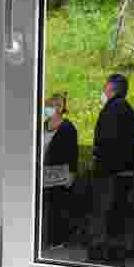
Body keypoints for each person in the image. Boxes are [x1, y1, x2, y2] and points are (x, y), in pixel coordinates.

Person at [89, 73, 134, 263]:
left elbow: (107, 143)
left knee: (103, 213)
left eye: (105, 87)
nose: (103, 91)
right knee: (118, 215)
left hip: (110, 173)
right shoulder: (128, 109)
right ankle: (116, 253)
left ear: (111, 88)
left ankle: (100, 253)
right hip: (124, 172)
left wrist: (98, 160)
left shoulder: (112, 110)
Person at [41, 92, 79, 249]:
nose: (49, 108)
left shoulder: (68, 127)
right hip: (43, 171)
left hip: (60, 173)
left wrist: (72, 172)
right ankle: (45, 238)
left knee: (58, 206)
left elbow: (72, 152)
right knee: (45, 206)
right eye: (48, 105)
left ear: (60, 108)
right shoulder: (42, 125)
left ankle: (57, 240)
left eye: (53, 105)